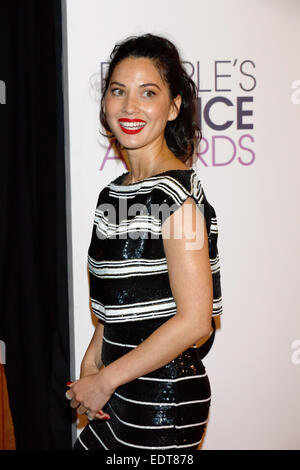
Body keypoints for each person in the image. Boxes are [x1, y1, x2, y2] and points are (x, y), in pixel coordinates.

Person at [68, 33, 223, 450]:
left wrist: (106, 379)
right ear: (105, 103)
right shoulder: (113, 194)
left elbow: (195, 321)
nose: (130, 107)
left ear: (173, 107)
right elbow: (121, 299)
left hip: (162, 400)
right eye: (118, 91)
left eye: (148, 93)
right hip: (118, 386)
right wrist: (94, 356)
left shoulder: (178, 199)